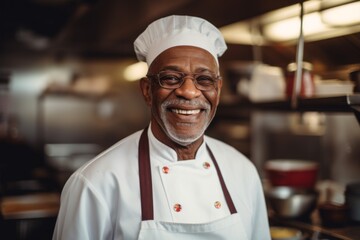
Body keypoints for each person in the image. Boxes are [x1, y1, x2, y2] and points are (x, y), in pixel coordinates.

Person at [53, 15, 271, 240]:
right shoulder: (96, 184)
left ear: (218, 90)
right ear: (147, 90)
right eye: (171, 78)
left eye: (204, 80)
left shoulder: (243, 172)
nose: (189, 91)